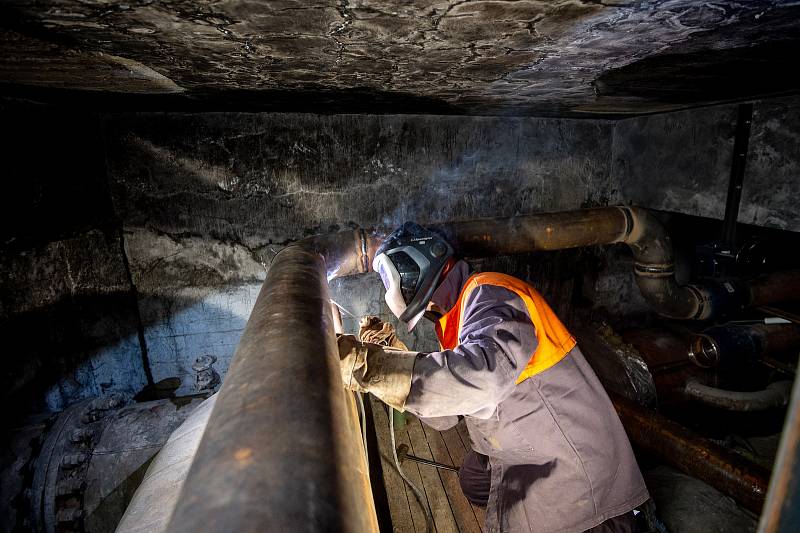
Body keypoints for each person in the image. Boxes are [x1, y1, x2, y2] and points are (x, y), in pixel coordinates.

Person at [338, 222, 649, 533]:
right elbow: (447, 415)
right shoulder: (460, 317)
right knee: (473, 479)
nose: (431, 308)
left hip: (574, 464)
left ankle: (616, 514)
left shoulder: (491, 293)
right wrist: (393, 356)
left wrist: (370, 366)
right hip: (528, 440)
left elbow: (483, 379)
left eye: (429, 304)